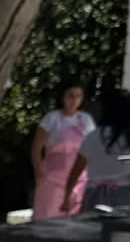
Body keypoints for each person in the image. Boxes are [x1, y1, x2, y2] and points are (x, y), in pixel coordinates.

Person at [62, 87, 130, 212]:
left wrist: (67, 197)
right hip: (123, 192)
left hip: (93, 193)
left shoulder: (92, 136)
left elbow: (76, 171)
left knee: (90, 224)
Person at [30, 83, 96, 218]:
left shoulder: (86, 120)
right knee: (48, 217)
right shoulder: (52, 118)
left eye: (78, 96)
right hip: (52, 179)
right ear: (63, 97)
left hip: (78, 179)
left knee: (75, 219)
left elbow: (92, 149)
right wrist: (39, 174)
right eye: (70, 96)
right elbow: (36, 148)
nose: (74, 100)